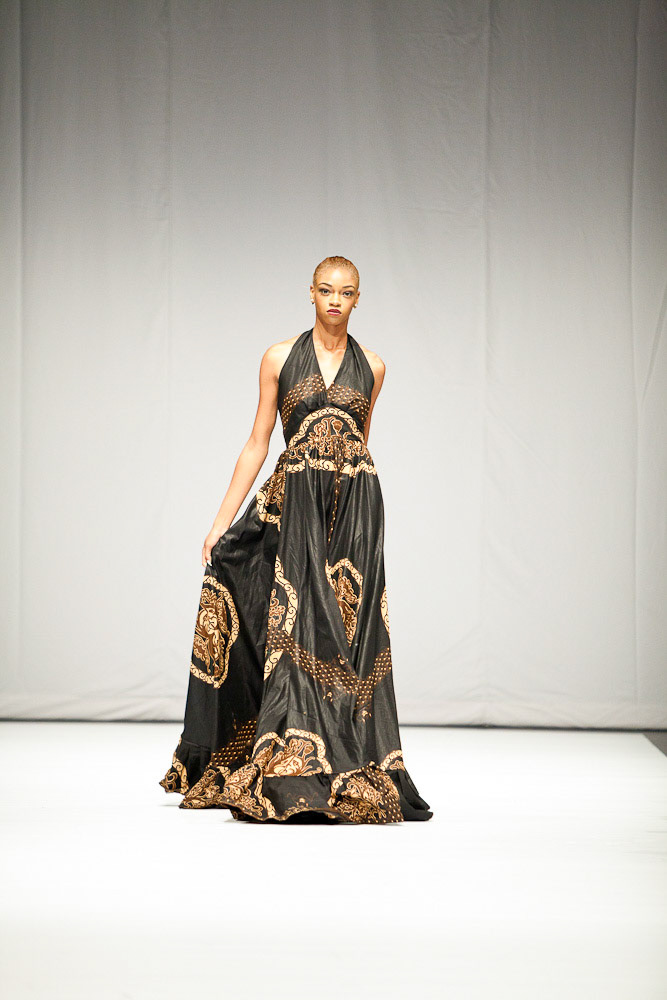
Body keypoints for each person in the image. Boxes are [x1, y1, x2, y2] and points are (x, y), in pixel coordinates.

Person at [159, 255, 433, 823]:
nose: (335, 300)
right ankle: (287, 764)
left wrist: (356, 509)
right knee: (294, 625)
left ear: (358, 298)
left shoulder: (374, 367)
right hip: (295, 504)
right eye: (326, 290)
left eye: (346, 292)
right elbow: (259, 441)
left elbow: (360, 442)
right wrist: (220, 521)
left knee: (349, 631)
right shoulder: (280, 358)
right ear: (310, 292)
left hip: (355, 510)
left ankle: (349, 762)